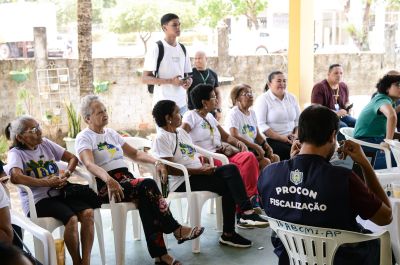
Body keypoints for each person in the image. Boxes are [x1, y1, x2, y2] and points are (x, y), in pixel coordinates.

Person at [76, 95, 203, 265]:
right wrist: (108, 179)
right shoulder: (84, 137)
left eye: (105, 110)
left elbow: (135, 154)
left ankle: (161, 257)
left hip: (127, 181)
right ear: (87, 118)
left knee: (147, 200)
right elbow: (89, 164)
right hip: (106, 186)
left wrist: (157, 161)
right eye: (99, 112)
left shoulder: (111, 134)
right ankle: (176, 229)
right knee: (148, 185)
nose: (105, 114)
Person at [258, 105, 393, 265]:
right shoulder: (344, 179)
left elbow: (279, 209)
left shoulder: (269, 173)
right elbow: (386, 217)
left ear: (299, 134)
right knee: (387, 248)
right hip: (341, 259)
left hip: (291, 257)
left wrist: (294, 163)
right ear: (333, 136)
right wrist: (365, 164)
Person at [152, 100, 269, 248]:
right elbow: (170, 169)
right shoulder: (161, 138)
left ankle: (238, 223)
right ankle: (241, 219)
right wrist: (198, 170)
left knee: (230, 170)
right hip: (182, 181)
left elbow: (190, 154)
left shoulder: (180, 132)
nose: (180, 115)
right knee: (228, 182)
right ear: (168, 117)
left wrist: (203, 163)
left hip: (198, 173)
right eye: (177, 112)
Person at [5, 116, 94, 265]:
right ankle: (77, 262)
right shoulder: (16, 153)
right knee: (71, 219)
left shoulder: (45, 143)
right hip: (39, 201)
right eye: (33, 130)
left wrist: (66, 174)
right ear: (20, 137)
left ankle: (86, 262)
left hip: (60, 193)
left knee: (88, 214)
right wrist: (45, 182)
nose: (39, 131)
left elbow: (72, 158)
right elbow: (15, 177)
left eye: (38, 126)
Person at [182, 84, 263, 216]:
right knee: (235, 168)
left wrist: (237, 143)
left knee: (248, 157)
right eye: (213, 97)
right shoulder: (191, 116)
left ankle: (251, 198)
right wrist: (198, 154)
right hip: (209, 159)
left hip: (221, 154)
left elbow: (225, 136)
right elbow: (182, 137)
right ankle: (242, 210)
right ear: (204, 102)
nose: (217, 100)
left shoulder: (210, 117)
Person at [142, 13, 193, 115]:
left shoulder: (183, 48)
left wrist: (189, 81)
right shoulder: (156, 48)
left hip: (182, 106)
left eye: (179, 24)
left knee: (182, 132)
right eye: (174, 25)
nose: (178, 27)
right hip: (163, 106)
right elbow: (145, 78)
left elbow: (188, 75)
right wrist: (171, 81)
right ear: (164, 28)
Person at [226, 84, 279, 170]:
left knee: (275, 157)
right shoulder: (234, 113)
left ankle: (272, 183)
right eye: (247, 94)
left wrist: (266, 145)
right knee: (265, 162)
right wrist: (255, 146)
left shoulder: (252, 113)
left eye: (251, 93)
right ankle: (261, 183)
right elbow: (234, 135)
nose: (251, 96)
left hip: (252, 148)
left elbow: (257, 135)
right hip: (240, 150)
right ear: (237, 98)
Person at [354, 74, 400, 169]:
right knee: (395, 150)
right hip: (366, 141)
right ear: (387, 88)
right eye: (398, 85)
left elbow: (392, 113)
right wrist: (388, 142)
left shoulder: (386, 100)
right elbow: (392, 116)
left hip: (371, 138)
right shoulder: (382, 99)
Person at [254, 71, 300, 161]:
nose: (282, 84)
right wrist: (282, 138)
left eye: (284, 81)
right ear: (269, 84)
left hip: (293, 138)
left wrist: (296, 135)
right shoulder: (263, 100)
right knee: (292, 154)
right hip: (273, 140)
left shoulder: (292, 97)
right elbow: (261, 125)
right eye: (279, 81)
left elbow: (298, 120)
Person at [311, 64, 356, 129]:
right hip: (326, 118)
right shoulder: (319, 87)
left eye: (341, 73)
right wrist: (336, 113)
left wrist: (348, 107)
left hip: (342, 116)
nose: (339, 75)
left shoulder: (343, 86)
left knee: (357, 123)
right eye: (336, 73)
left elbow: (346, 101)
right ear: (328, 74)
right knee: (343, 127)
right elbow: (316, 109)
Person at [187, 51, 222, 120]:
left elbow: (218, 93)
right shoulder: (190, 74)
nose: (197, 61)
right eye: (195, 58)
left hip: (211, 112)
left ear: (206, 59)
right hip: (195, 111)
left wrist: (218, 110)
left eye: (199, 58)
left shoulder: (213, 74)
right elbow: (184, 91)